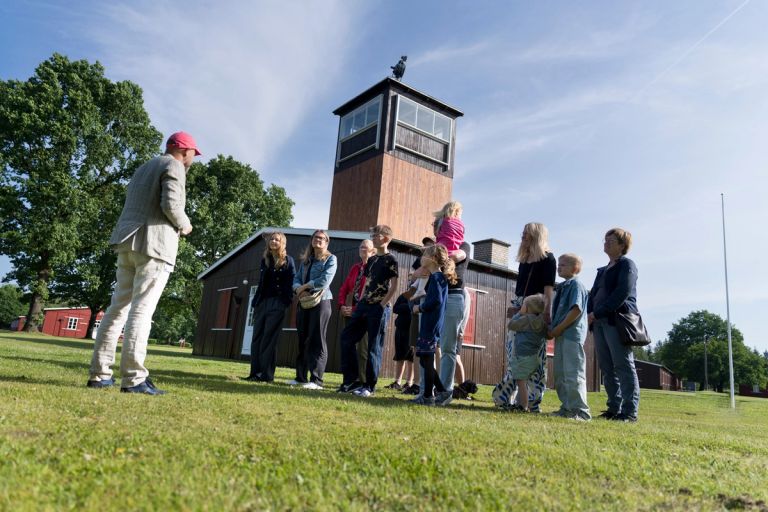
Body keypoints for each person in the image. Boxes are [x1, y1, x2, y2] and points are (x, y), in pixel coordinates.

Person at [87, 131, 201, 395]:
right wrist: (185, 226)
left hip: (127, 242)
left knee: (117, 308)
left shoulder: (144, 167)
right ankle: (134, 378)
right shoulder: (173, 165)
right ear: (184, 151)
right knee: (142, 310)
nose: (193, 159)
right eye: (194, 153)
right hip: (153, 244)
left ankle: (100, 374)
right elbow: (171, 204)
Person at [493, 222, 555, 411]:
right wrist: (517, 307)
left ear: (536, 235)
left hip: (536, 308)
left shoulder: (548, 259)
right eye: (523, 232)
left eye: (527, 232)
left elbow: (548, 290)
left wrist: (546, 313)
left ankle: (533, 402)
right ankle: (507, 398)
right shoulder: (524, 260)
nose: (523, 235)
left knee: (535, 357)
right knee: (515, 354)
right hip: (521, 306)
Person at [338, 225, 399, 397]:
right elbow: (367, 282)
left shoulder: (391, 259)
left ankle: (369, 387)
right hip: (363, 305)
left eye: (376, 235)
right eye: (372, 234)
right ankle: (352, 381)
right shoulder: (371, 261)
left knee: (373, 346)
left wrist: (382, 304)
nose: (373, 237)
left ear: (386, 238)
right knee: (346, 338)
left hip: (379, 308)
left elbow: (394, 286)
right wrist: (362, 300)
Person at [588, 228, 641, 422]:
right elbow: (593, 294)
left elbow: (621, 294)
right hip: (599, 322)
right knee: (607, 367)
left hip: (616, 321)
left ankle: (629, 412)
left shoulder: (627, 265)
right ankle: (613, 408)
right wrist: (589, 313)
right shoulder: (602, 270)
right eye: (605, 239)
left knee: (623, 366)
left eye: (611, 240)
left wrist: (597, 312)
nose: (606, 242)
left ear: (622, 245)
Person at [242, 232, 295, 383]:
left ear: (282, 243)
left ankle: (266, 375)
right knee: (257, 337)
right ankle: (254, 373)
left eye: (277, 239)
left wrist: (286, 301)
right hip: (261, 302)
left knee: (269, 339)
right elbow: (261, 282)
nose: (273, 241)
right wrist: (256, 303)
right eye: (271, 239)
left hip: (277, 303)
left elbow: (292, 280)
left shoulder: (288, 260)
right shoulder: (265, 259)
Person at [411, 244, 457, 406]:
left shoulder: (437, 278)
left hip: (431, 324)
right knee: (424, 359)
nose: (421, 257)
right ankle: (442, 392)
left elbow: (435, 301)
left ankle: (428, 396)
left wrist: (420, 307)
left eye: (424, 254)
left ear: (433, 259)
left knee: (427, 360)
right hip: (430, 323)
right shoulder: (435, 277)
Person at [291, 230, 337, 390]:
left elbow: (324, 281)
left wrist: (305, 286)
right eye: (315, 237)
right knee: (302, 339)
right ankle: (300, 378)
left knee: (317, 340)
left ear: (326, 242)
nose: (318, 240)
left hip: (321, 302)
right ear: (311, 240)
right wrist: (299, 289)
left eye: (321, 238)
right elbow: (295, 279)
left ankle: (316, 380)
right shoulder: (306, 261)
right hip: (304, 302)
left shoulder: (331, 259)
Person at [548, 254, 591, 420]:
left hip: (571, 335)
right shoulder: (562, 286)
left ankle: (581, 411)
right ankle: (567, 408)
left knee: (574, 374)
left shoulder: (576, 285)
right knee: (561, 374)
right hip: (561, 335)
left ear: (575, 268)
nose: (559, 267)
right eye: (558, 264)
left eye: (563, 265)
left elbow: (576, 310)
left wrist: (558, 328)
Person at [337, 239, 376, 385]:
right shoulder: (356, 268)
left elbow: (369, 293)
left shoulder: (373, 268)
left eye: (366, 248)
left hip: (364, 313)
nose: (362, 249)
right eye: (361, 247)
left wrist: (354, 310)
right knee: (348, 344)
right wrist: (341, 305)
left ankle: (364, 381)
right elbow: (345, 288)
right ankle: (350, 380)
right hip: (350, 312)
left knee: (363, 350)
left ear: (373, 251)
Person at [505, 294, 548, 412]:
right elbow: (547, 335)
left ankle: (523, 406)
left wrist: (519, 314)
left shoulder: (525, 319)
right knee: (529, 382)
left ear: (528, 308)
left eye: (524, 305)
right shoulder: (541, 322)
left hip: (522, 356)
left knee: (521, 381)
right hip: (534, 356)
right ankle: (531, 405)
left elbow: (511, 325)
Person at [439, 241, 471, 394]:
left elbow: (457, 255)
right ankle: (439, 386)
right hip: (441, 298)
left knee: (452, 352)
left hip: (453, 300)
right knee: (438, 349)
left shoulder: (463, 246)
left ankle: (460, 387)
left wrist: (462, 328)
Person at [386, 292, 415, 390]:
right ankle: (398, 381)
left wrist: (406, 307)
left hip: (412, 330)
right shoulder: (404, 295)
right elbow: (395, 308)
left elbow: (415, 308)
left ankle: (409, 382)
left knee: (411, 357)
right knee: (399, 355)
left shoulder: (420, 294)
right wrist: (408, 306)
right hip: (400, 329)